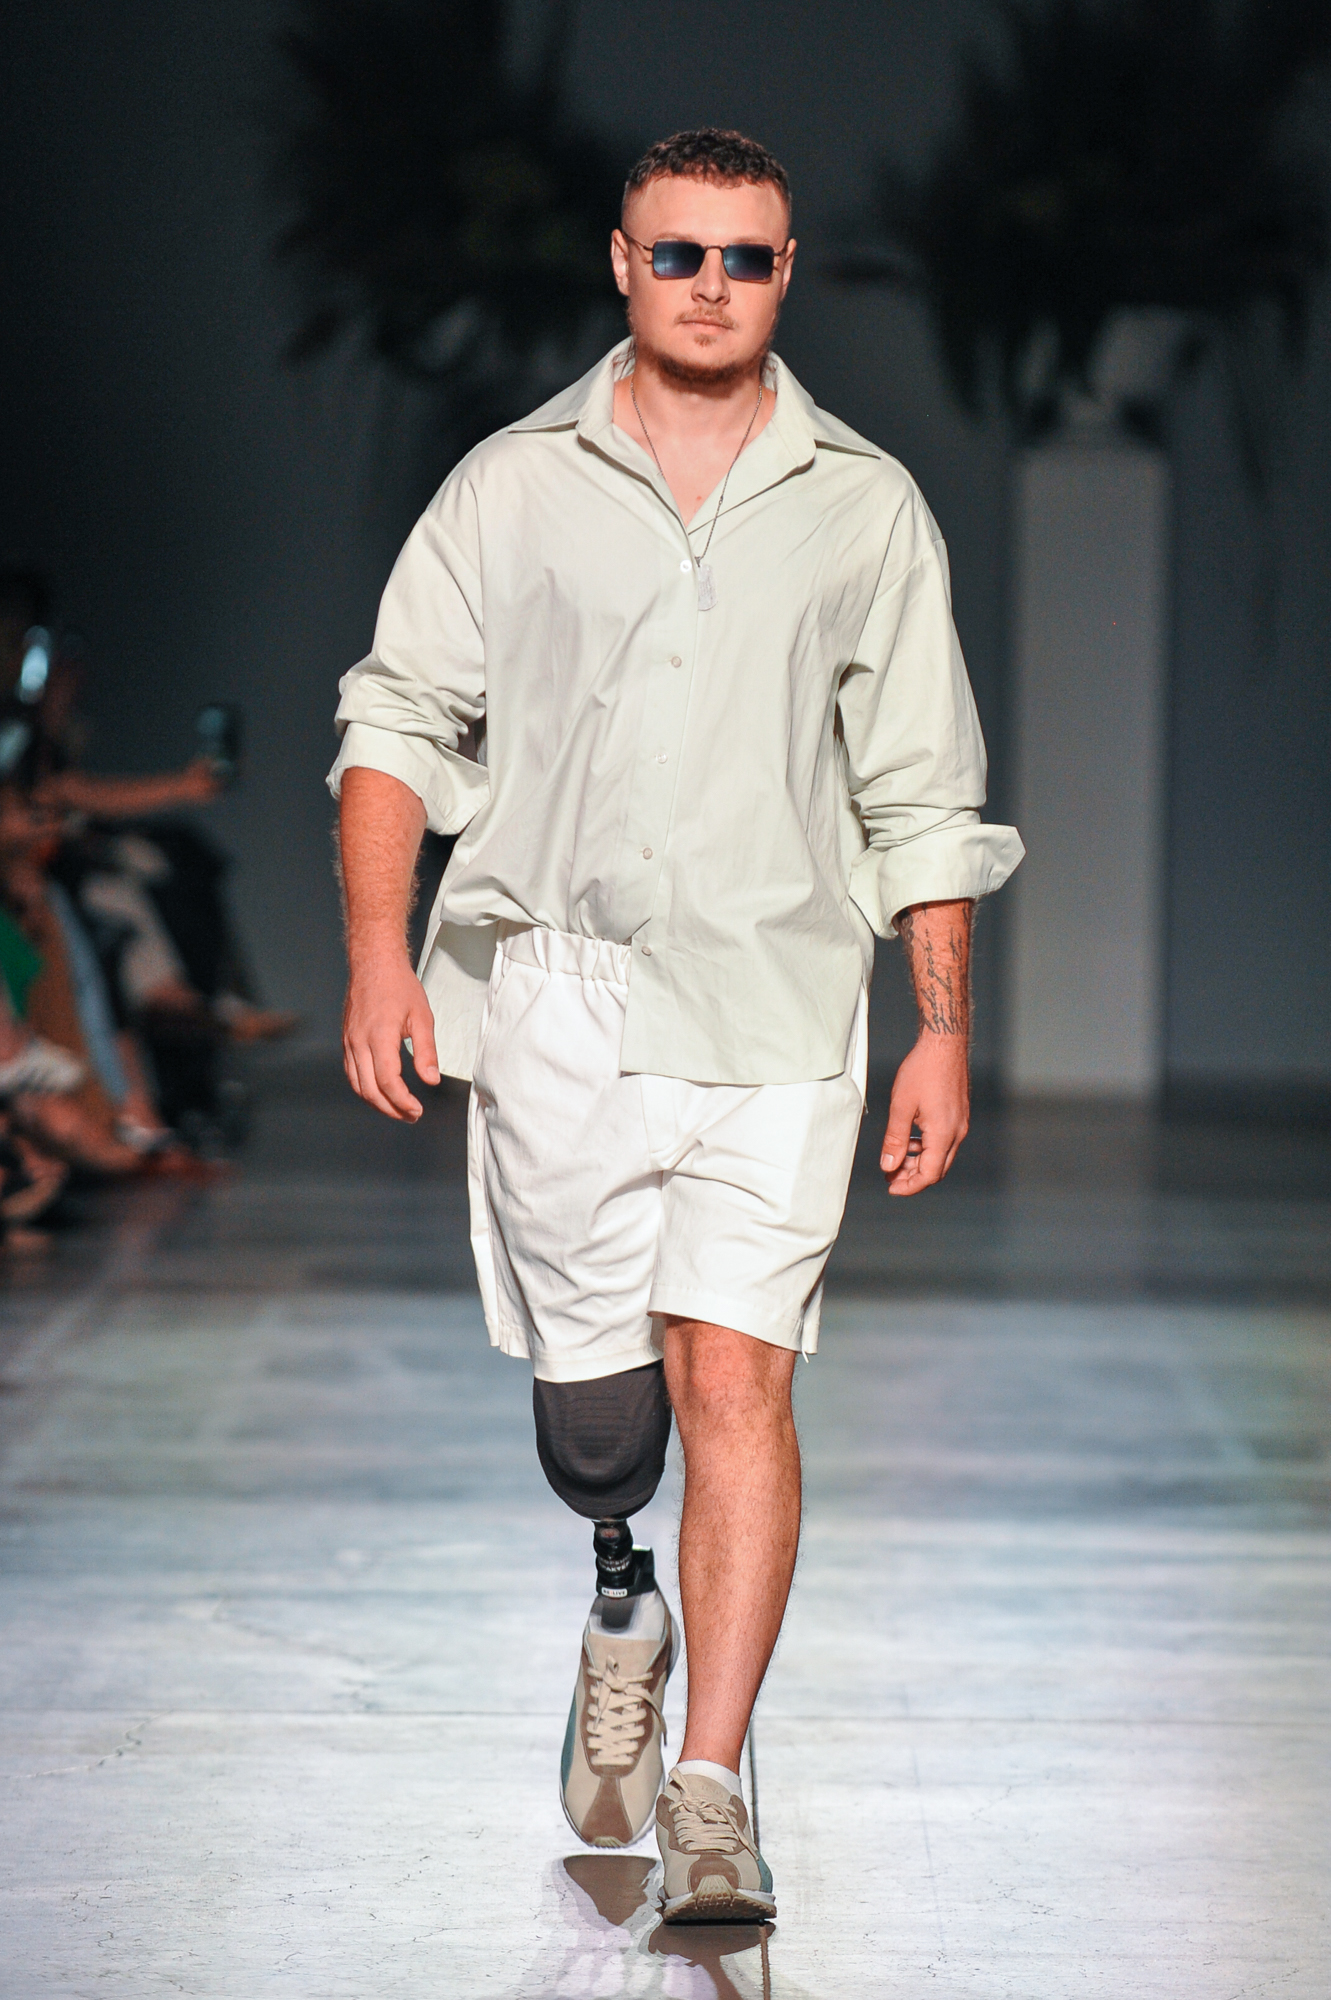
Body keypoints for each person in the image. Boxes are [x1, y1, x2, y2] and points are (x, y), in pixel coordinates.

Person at [332, 129, 1023, 1924]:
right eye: (682, 253)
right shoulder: (510, 487)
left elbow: (922, 790)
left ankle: (711, 1788)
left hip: (781, 1005)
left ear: (788, 273)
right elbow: (397, 720)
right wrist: (378, 957)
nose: (714, 284)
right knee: (601, 1433)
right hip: (559, 997)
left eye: (749, 256)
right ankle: (619, 1592)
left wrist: (941, 1027)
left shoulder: (865, 506)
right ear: (623, 264)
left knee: (739, 1379)